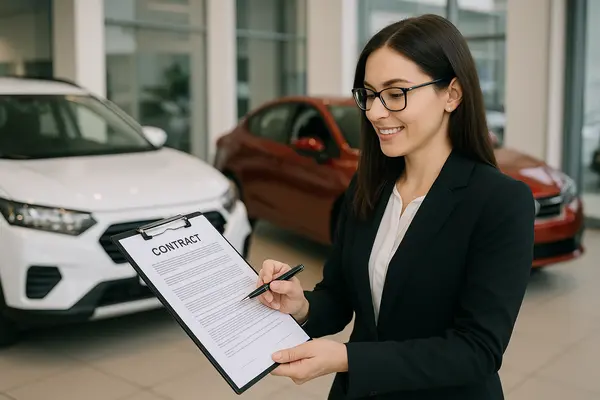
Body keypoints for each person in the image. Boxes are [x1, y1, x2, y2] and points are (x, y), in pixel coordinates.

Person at [256, 14, 535, 400]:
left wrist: (349, 359)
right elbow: (338, 297)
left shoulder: (500, 202)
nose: (374, 112)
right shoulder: (368, 186)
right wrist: (300, 304)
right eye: (369, 94)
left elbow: (478, 350)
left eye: (396, 93)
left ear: (451, 95)